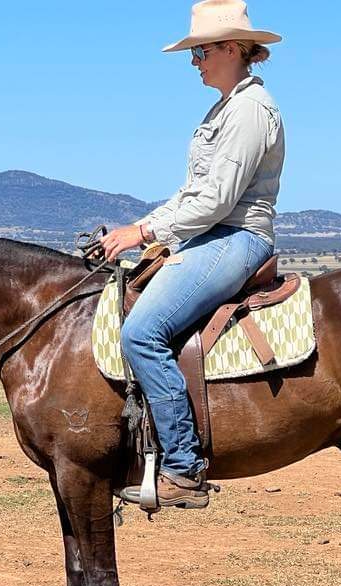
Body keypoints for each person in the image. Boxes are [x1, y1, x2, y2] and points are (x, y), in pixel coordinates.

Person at [101, 0, 285, 510]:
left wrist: (143, 231)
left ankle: (183, 466)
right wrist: (142, 230)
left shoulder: (250, 110)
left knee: (141, 333)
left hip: (236, 236)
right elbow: (191, 194)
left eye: (201, 51)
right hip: (209, 235)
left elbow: (217, 200)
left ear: (232, 49)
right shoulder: (226, 107)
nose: (194, 61)